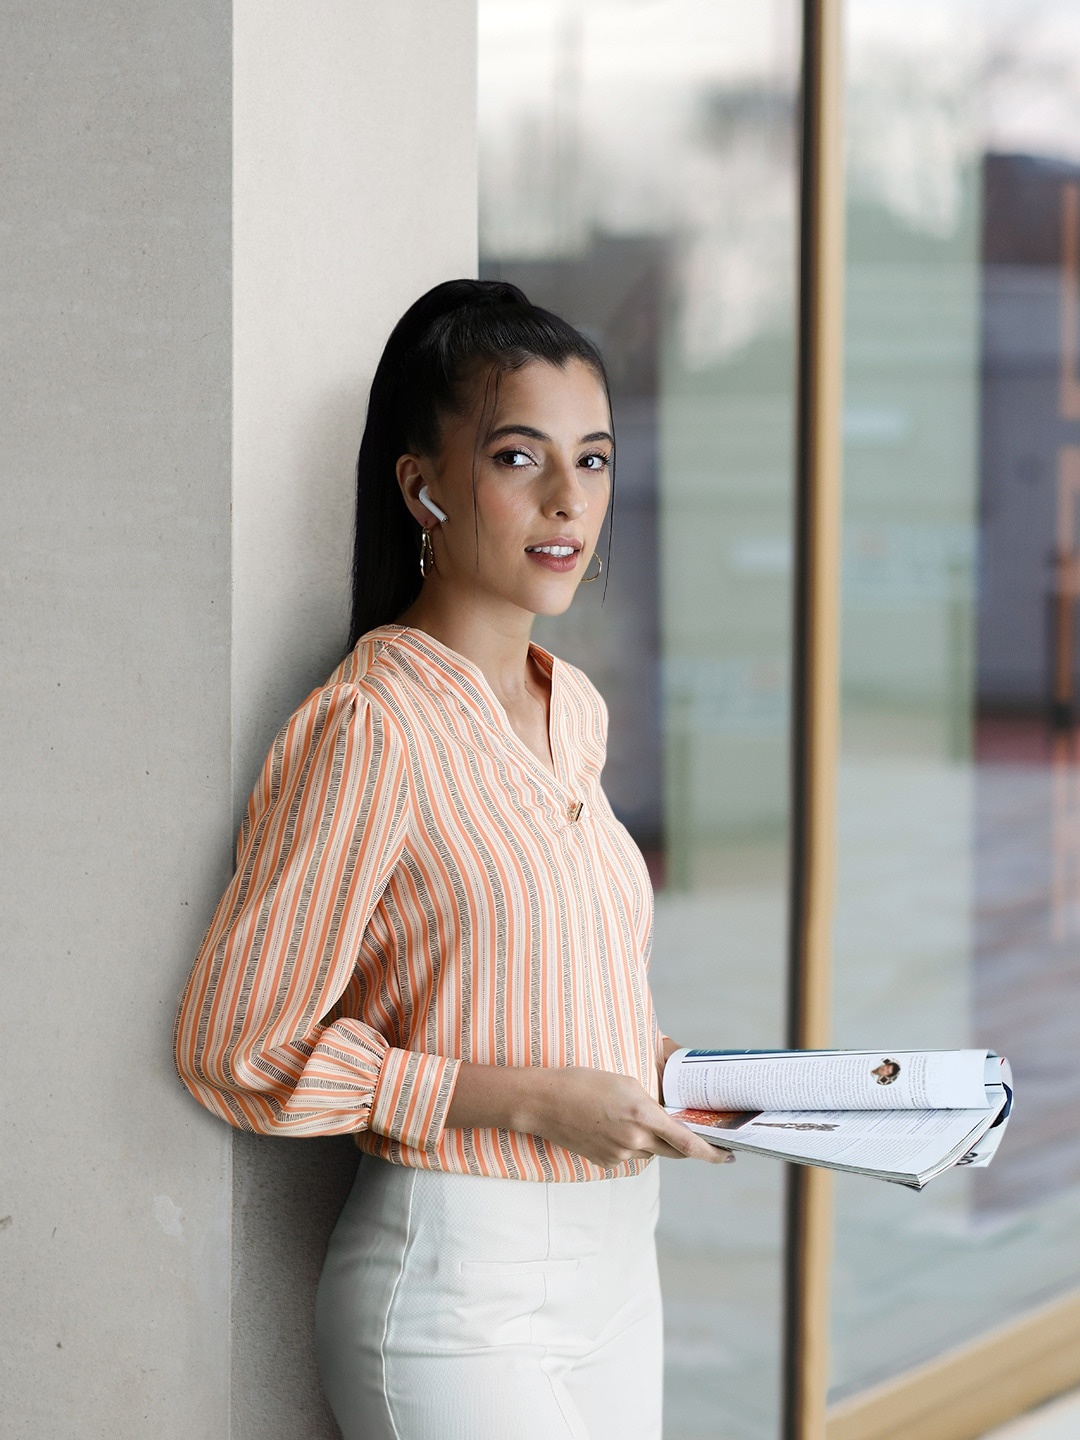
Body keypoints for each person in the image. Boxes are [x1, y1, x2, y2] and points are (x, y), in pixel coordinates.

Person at [173, 279, 729, 1440]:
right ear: (424, 486)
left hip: (621, 1267)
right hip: (462, 1291)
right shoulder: (376, 725)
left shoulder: (570, 708)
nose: (570, 501)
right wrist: (528, 1101)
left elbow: (527, 978)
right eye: (522, 457)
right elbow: (235, 1045)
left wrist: (680, 1077)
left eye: (597, 459)